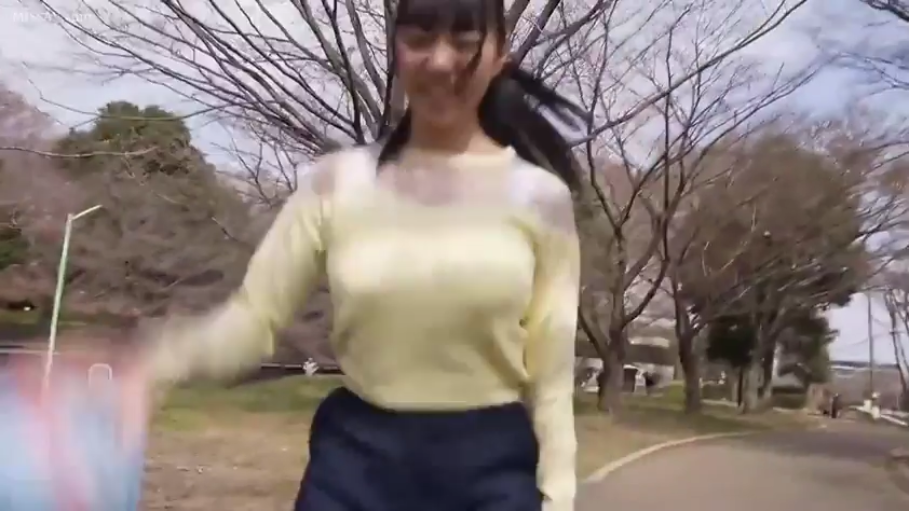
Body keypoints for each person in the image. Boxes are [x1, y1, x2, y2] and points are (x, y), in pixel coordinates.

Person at [138, 0, 584, 510]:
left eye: (465, 41)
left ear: (500, 54)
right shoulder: (336, 182)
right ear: (396, 47)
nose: (440, 61)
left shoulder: (541, 199)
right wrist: (157, 360)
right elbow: (255, 318)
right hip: (356, 466)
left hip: (489, 469)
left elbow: (551, 372)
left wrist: (558, 495)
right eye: (419, 38)